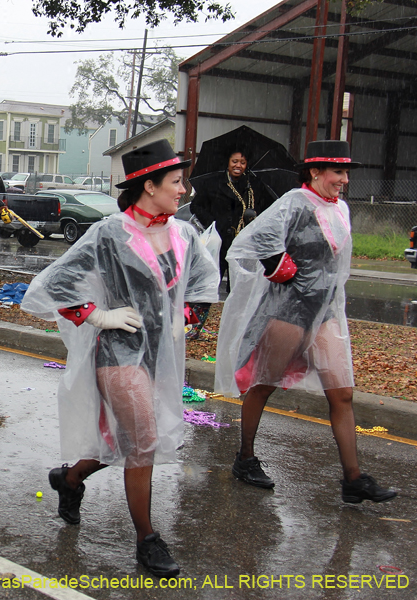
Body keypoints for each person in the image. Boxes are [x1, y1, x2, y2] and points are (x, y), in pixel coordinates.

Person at [21, 139, 219, 579]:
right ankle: (148, 539)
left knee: (125, 444)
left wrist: (184, 317)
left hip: (159, 357)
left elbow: (206, 282)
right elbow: (56, 284)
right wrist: (99, 315)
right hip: (118, 354)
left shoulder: (184, 234)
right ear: (149, 186)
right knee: (144, 442)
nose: (183, 190)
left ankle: (69, 479)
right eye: (175, 181)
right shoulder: (110, 233)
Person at [214, 140, 397, 504]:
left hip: (326, 313)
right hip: (289, 311)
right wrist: (279, 266)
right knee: (264, 384)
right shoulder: (295, 202)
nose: (344, 180)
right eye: (338, 172)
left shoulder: (340, 208)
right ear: (315, 172)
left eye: (346, 173)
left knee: (342, 393)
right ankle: (245, 458)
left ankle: (353, 478)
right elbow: (253, 240)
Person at [190, 148, 275, 292]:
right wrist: (212, 223)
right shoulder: (213, 183)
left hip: (243, 242)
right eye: (234, 161)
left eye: (242, 162)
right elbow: (196, 206)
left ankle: (233, 313)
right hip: (218, 241)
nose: (238, 166)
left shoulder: (254, 186)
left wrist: (255, 216)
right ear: (227, 163)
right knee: (210, 283)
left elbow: (268, 208)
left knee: (239, 287)